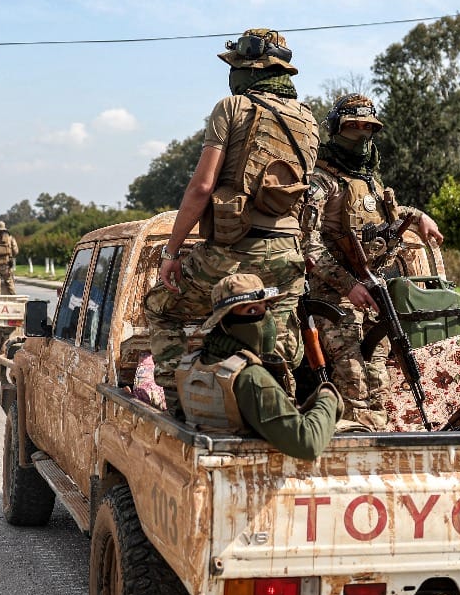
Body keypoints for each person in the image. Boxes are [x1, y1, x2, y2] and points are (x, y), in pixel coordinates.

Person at [143, 28, 320, 411]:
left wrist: (171, 252)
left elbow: (201, 188)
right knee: (276, 338)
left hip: (232, 252)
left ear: (248, 69)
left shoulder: (233, 107)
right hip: (288, 256)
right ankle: (277, 411)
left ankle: (181, 407)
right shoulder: (308, 119)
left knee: (160, 308)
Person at [303, 94, 444, 430]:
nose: (361, 135)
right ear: (335, 129)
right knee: (353, 378)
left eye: (368, 128)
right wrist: (348, 285)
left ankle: (377, 437)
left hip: (373, 293)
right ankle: (352, 438)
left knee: (378, 376)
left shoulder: (369, 180)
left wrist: (419, 216)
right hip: (333, 297)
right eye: (352, 127)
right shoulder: (321, 181)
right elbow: (307, 243)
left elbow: (387, 218)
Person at [175, 274, 342, 460]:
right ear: (225, 321)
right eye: (252, 311)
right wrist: (328, 396)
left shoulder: (193, 364)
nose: (266, 318)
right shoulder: (250, 376)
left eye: (267, 307)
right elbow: (307, 444)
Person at [0, 220, 20, 295]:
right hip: (6, 266)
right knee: (10, 287)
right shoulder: (10, 238)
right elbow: (16, 251)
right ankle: (13, 299)